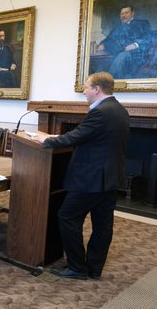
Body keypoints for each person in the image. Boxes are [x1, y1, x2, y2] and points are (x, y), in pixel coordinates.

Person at [30, 72, 130, 280]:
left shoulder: (100, 112)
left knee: (67, 217)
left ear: (96, 89)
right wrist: (55, 136)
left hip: (90, 179)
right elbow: (90, 136)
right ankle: (94, 268)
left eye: (85, 87)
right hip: (110, 178)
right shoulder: (119, 109)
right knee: (103, 225)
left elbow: (77, 137)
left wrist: (45, 140)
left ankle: (77, 267)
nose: (83, 92)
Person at [96, 5, 153, 79]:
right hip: (118, 53)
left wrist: (135, 45)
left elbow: (148, 38)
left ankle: (109, 82)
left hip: (137, 55)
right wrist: (102, 44)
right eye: (122, 14)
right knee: (101, 61)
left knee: (122, 57)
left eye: (126, 13)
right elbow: (108, 39)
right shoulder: (117, 28)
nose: (124, 15)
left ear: (132, 13)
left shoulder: (142, 23)